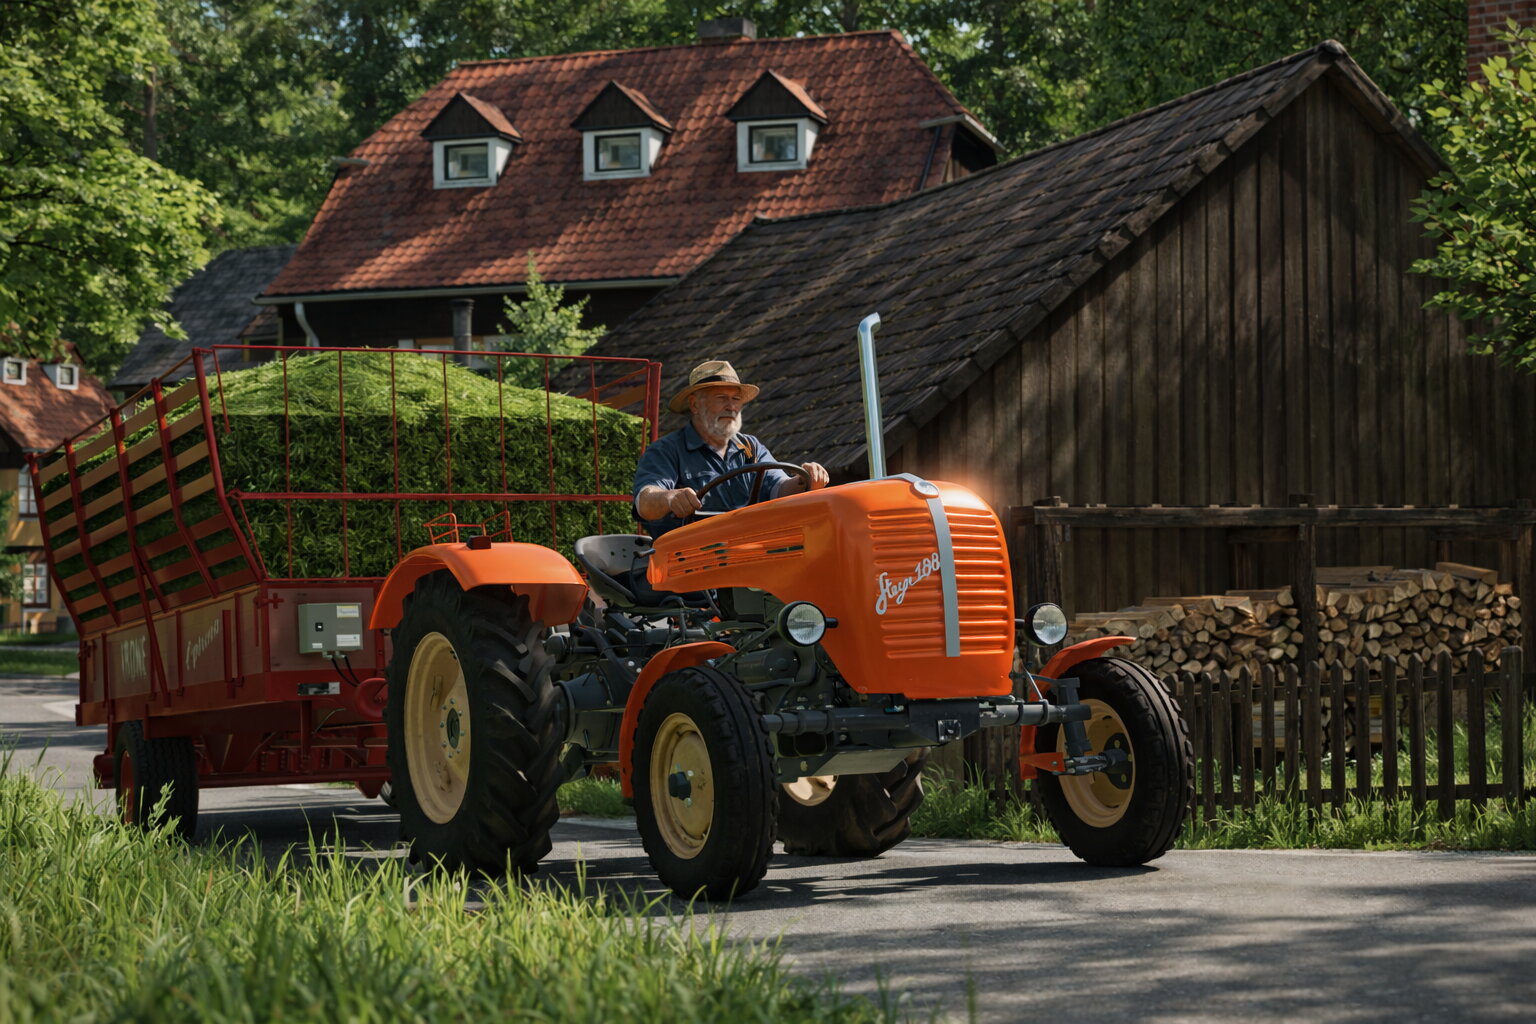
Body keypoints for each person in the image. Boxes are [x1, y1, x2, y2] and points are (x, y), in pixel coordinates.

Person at [633, 360, 828, 538]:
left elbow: (779, 487)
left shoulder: (751, 447)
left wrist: (804, 480)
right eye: (721, 398)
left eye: (736, 399)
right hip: (691, 558)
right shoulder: (667, 450)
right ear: (694, 404)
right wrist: (670, 497)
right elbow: (645, 501)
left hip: (751, 549)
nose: (731, 407)